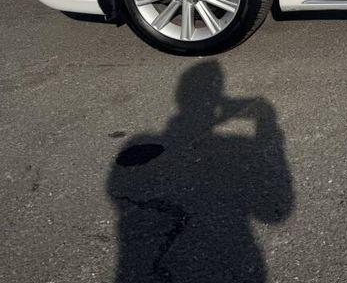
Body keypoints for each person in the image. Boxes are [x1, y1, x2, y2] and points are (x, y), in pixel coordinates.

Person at [106, 61, 293, 282]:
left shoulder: (139, 141)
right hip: (232, 262)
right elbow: (273, 213)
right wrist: (268, 125)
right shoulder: (236, 144)